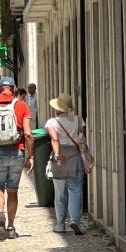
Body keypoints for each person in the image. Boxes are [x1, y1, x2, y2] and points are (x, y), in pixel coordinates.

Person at [0, 76, 33, 241]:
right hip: (17, 151)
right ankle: (10, 227)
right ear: (14, 88)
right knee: (13, 191)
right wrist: (30, 156)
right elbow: (29, 134)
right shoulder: (21, 106)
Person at [45, 93, 87, 235]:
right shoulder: (78, 120)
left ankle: (60, 224)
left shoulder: (52, 122)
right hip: (75, 157)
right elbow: (82, 138)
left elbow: (54, 139)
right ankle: (74, 220)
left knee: (60, 194)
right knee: (75, 190)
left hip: (60, 158)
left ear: (57, 108)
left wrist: (57, 155)